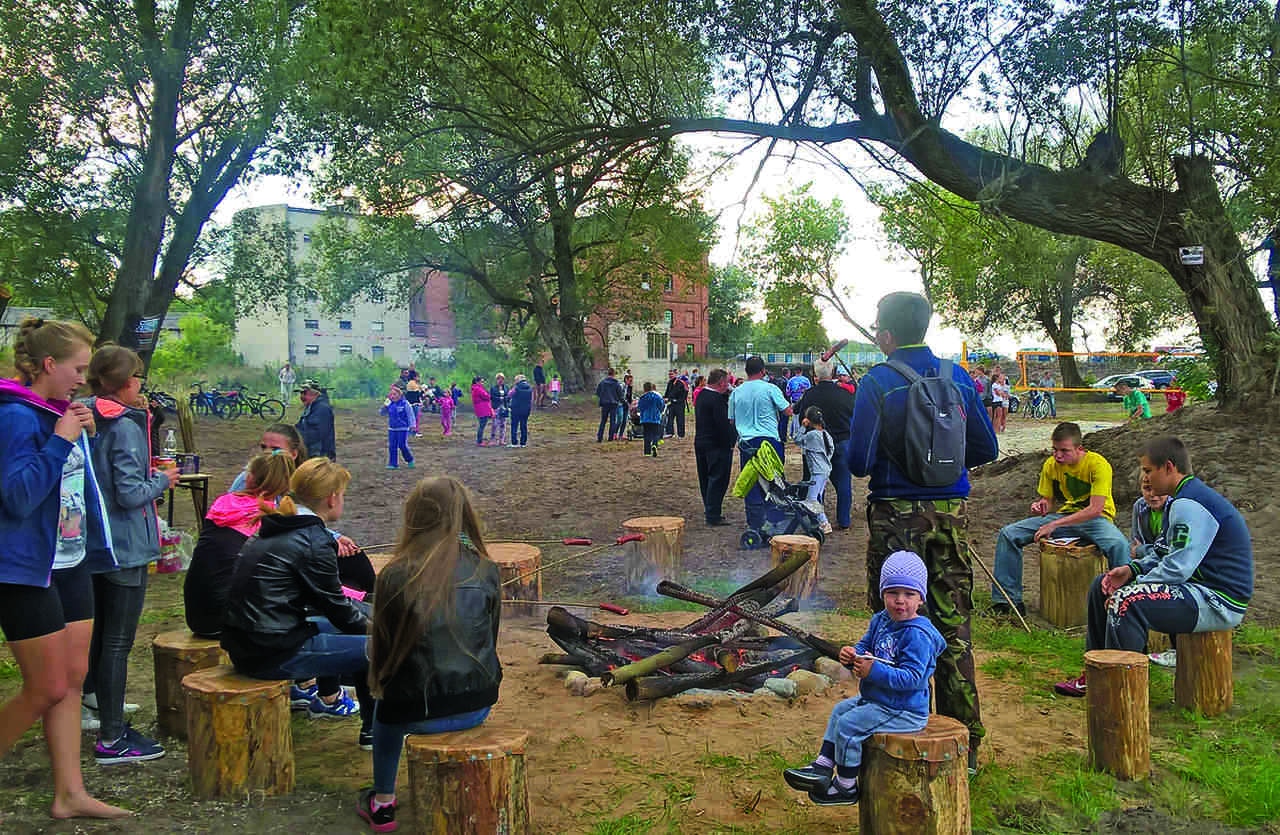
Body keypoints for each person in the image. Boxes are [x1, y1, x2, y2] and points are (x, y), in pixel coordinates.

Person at [845, 292, 998, 772]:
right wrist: (942, 473)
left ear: (886, 336)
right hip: (951, 514)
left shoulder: (878, 382)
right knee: (953, 629)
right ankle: (964, 746)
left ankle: (894, 733)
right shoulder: (958, 378)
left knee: (894, 628)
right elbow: (986, 447)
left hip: (895, 519)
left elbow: (858, 462)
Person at [0, 318, 130, 819]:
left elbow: (71, 488)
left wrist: (83, 439)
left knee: (73, 680)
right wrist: (60, 439)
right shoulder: (14, 417)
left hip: (71, 560)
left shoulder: (58, 413)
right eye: (77, 369)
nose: (83, 379)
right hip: (25, 569)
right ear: (49, 365)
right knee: (46, 687)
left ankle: (69, 794)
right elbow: (16, 498)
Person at [1053, 437, 1253, 697]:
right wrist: (1132, 571)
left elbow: (1178, 567)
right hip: (1195, 588)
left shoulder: (1189, 504)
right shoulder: (1178, 499)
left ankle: (1121, 692)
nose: (1144, 478)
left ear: (1168, 467)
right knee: (1101, 586)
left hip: (1218, 599)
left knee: (1126, 602)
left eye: (1148, 470)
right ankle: (1096, 674)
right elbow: (1163, 551)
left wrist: (1134, 586)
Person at [358, 477, 502, 831]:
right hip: (480, 700)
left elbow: (383, 650)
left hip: (413, 710)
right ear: (463, 515)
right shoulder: (486, 568)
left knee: (383, 714)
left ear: (414, 516)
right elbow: (492, 638)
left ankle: (383, 802)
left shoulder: (393, 574)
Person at [220, 458, 372, 741]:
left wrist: (370, 612)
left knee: (350, 626)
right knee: (382, 648)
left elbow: (328, 604)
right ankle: (376, 733)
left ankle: (348, 710)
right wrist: (383, 626)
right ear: (332, 498)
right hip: (271, 652)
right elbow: (338, 610)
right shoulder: (312, 539)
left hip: (248, 643)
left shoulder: (279, 525)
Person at [782, 551, 945, 806]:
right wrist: (851, 654)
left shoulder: (918, 635)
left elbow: (913, 678)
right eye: (892, 593)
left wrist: (873, 672)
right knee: (839, 711)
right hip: (879, 700)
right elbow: (865, 647)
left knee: (850, 726)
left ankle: (846, 786)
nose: (900, 601)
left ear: (921, 598)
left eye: (909, 594)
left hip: (904, 709)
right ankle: (823, 766)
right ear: (882, 594)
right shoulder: (881, 620)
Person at [82, 346, 180, 764]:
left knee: (99, 637)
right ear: (124, 382)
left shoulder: (82, 414)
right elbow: (128, 493)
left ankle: (98, 709)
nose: (142, 385)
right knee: (117, 644)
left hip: (92, 542)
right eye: (138, 377)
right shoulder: (122, 426)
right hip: (124, 547)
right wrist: (162, 479)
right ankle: (112, 737)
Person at [991, 422, 1131, 616]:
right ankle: (1007, 603)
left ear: (1079, 449)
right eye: (1054, 450)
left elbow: (1095, 509)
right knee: (1008, 534)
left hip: (1096, 520)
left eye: (1064, 451)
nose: (1058, 456)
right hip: (1065, 517)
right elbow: (1047, 501)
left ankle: (1124, 603)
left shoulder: (1098, 464)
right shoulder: (1051, 465)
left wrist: (1054, 524)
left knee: (1119, 544)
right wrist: (1040, 507)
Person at [185, 452, 297, 638]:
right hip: (228, 621)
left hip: (197, 614)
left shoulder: (222, 503)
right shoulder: (267, 519)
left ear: (249, 476)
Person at [729, 356, 792, 533]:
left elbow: (732, 420)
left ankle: (755, 524)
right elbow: (787, 411)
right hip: (769, 442)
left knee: (751, 480)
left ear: (746, 371)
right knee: (773, 481)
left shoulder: (736, 392)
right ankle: (774, 523)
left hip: (747, 443)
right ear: (763, 371)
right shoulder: (770, 388)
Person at [796, 357, 856, 530]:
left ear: (815, 374)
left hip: (816, 445)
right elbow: (854, 415)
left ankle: (817, 519)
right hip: (841, 441)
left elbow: (802, 418)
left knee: (814, 482)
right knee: (844, 482)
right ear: (833, 373)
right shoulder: (845, 394)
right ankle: (844, 519)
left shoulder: (809, 395)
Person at [1131, 481, 1176, 668]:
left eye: (1159, 490)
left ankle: (1175, 648)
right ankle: (1136, 649)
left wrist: (1142, 551)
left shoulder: (1176, 507)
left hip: (1170, 563)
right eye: (1147, 489)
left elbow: (1170, 550)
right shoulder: (1139, 506)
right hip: (1150, 561)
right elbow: (1134, 543)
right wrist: (1142, 552)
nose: (1153, 495)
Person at [694, 370, 735, 526]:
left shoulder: (702, 395)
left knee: (705, 479)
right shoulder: (717, 400)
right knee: (718, 479)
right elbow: (723, 425)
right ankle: (713, 514)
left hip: (702, 442)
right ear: (721, 383)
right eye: (726, 382)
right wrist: (731, 441)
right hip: (717, 445)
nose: (728, 385)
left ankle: (709, 509)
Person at [793, 407, 835, 535]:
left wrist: (802, 427)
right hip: (825, 469)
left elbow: (797, 440)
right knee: (818, 496)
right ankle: (818, 521)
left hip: (817, 472)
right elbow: (831, 450)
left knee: (811, 499)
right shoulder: (826, 434)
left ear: (809, 420)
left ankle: (824, 523)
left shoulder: (812, 435)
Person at [295, 380, 336, 460]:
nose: (301, 397)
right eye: (300, 393)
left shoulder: (322, 409)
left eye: (304, 393)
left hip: (321, 456)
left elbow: (316, 434)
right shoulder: (312, 406)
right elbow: (301, 426)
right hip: (313, 453)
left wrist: (296, 440)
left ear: (314, 393)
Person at [380, 386, 415, 469]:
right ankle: (393, 464)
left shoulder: (405, 403)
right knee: (392, 446)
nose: (392, 396)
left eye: (394, 394)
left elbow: (410, 415)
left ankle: (409, 459)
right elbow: (382, 413)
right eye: (391, 394)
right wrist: (385, 405)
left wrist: (412, 425)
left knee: (402, 445)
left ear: (399, 395)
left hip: (403, 428)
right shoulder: (389, 404)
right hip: (392, 428)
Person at [595, 368, 625, 442]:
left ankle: (600, 437)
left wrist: (603, 397)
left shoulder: (602, 383)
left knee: (603, 421)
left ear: (608, 374)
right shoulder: (616, 384)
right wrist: (624, 403)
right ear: (614, 374)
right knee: (612, 421)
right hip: (613, 404)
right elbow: (620, 395)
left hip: (604, 403)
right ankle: (610, 437)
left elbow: (598, 393)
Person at [637, 383, 665, 458]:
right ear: (652, 388)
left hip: (645, 419)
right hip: (655, 418)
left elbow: (639, 407)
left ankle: (647, 452)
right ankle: (655, 445)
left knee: (646, 435)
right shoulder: (657, 397)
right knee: (656, 434)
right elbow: (662, 406)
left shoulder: (642, 397)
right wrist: (660, 411)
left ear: (644, 389)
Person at [785, 366, 812, 437]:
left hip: (794, 401)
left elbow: (787, 392)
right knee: (804, 417)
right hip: (804, 401)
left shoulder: (791, 380)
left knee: (795, 419)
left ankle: (795, 434)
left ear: (795, 372)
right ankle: (802, 433)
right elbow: (809, 391)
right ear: (801, 371)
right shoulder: (806, 380)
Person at [508, 374, 533, 448]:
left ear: (518, 380)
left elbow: (509, 395)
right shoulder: (530, 388)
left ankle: (514, 442)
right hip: (526, 410)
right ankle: (523, 443)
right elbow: (531, 400)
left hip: (516, 409)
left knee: (514, 426)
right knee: (524, 426)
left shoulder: (516, 388)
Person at [663, 368, 689, 439]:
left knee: (680, 419)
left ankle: (681, 434)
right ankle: (670, 433)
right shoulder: (670, 383)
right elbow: (667, 393)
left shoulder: (680, 383)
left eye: (671, 374)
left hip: (679, 403)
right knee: (670, 418)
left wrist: (669, 398)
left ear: (676, 374)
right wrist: (664, 398)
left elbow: (676, 392)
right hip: (671, 403)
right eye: (669, 374)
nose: (670, 376)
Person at [470, 376, 493, 446]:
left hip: (480, 409)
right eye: (481, 382)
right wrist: (488, 395)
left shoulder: (475, 388)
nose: (483, 383)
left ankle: (479, 440)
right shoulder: (478, 389)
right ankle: (479, 441)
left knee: (482, 425)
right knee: (482, 425)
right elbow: (487, 397)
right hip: (482, 409)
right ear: (477, 382)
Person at [488, 373, 509, 447]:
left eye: (502, 379)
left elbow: (508, 397)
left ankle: (501, 440)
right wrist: (500, 398)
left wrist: (507, 406)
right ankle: (492, 440)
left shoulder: (506, 387)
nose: (500, 380)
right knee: (494, 424)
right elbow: (491, 397)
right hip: (496, 407)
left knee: (503, 424)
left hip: (504, 407)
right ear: (496, 380)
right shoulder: (493, 388)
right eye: (499, 378)